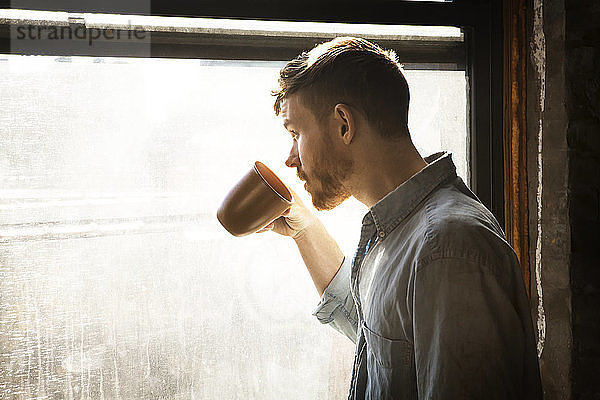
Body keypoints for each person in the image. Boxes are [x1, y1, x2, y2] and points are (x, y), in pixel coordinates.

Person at [260, 37, 542, 399]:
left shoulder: (447, 249)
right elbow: (377, 339)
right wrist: (304, 228)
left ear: (344, 124)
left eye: (296, 134)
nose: (290, 158)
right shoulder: (398, 232)